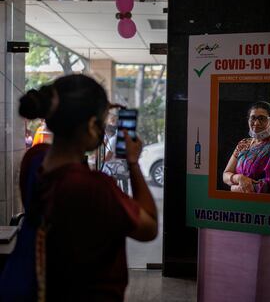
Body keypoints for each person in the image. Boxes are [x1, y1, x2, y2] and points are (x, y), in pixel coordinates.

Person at [0, 74, 158, 301]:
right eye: (102, 121)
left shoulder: (34, 161)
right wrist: (132, 162)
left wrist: (90, 111)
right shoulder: (94, 187)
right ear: (92, 125)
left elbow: (65, 160)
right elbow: (149, 227)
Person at [223, 101, 270, 194]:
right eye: (253, 118)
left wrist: (234, 188)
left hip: (264, 205)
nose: (256, 123)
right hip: (237, 204)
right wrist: (239, 178)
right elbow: (226, 174)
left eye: (262, 119)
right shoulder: (243, 144)